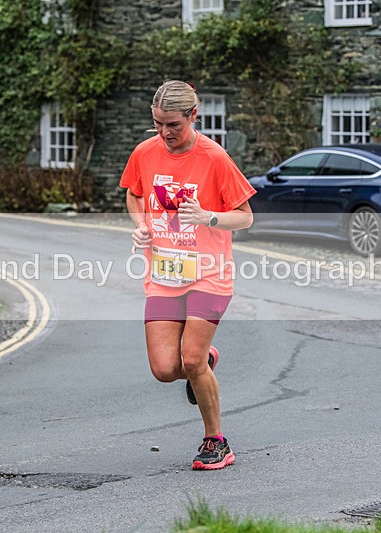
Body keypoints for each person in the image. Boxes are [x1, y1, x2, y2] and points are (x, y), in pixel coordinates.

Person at [120, 80, 255, 471]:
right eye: (158, 124)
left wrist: (209, 217)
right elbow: (133, 193)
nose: (164, 134)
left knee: (190, 359)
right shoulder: (145, 153)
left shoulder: (214, 158)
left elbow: (245, 215)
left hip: (208, 272)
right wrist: (141, 224)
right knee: (165, 369)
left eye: (173, 125)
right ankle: (205, 362)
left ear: (194, 116)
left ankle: (216, 442)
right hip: (163, 272)